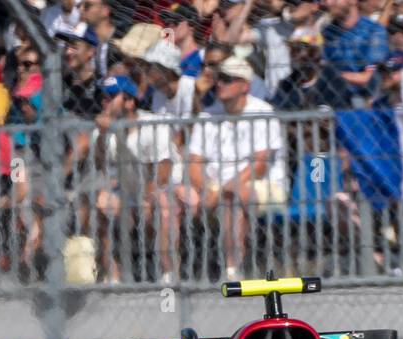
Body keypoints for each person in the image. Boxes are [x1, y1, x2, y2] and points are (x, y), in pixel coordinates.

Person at [177, 55, 285, 280]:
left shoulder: (262, 112)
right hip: (214, 187)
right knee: (168, 197)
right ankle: (169, 276)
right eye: (219, 78)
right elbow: (194, 162)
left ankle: (232, 271)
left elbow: (260, 165)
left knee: (231, 196)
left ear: (245, 85)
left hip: (263, 186)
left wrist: (221, 191)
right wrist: (207, 190)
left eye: (227, 79)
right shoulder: (209, 114)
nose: (220, 83)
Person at [94, 74, 175, 282]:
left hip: (160, 187)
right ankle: (113, 275)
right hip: (126, 191)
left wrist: (147, 196)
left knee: (163, 206)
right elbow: (99, 166)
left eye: (111, 96)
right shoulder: (103, 130)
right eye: (101, 97)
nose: (104, 102)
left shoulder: (152, 123)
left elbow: (164, 168)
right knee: (103, 202)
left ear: (130, 102)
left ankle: (168, 271)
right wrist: (103, 134)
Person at [321, 0, 389, 98]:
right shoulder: (328, 31)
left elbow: (367, 78)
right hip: (329, 95)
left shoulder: (374, 31)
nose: (328, 2)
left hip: (359, 99)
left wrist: (334, 75)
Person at [271, 29, 352, 110]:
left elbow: (343, 114)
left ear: (315, 51)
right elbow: (276, 111)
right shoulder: (287, 84)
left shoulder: (333, 81)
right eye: (292, 50)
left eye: (299, 49)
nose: (294, 55)